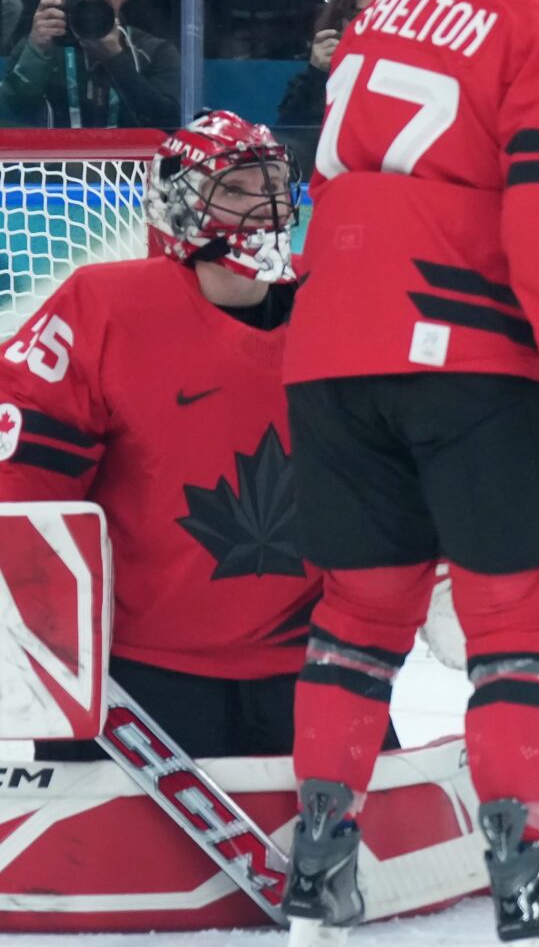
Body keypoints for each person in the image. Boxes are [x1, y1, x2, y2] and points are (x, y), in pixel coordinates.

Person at [279, 0, 539, 947]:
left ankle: (317, 872)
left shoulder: (386, 13)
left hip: (331, 346)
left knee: (356, 616)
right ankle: (525, 879)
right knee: (514, 621)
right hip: (473, 351)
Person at [0, 111, 310, 760]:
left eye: (272, 183)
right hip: (137, 675)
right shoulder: (105, 307)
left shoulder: (336, 303)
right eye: (235, 187)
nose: (263, 203)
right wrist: (46, 651)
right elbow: (22, 478)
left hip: (310, 665)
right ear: (179, 205)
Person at [0, 0, 180, 128]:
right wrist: (36, 54)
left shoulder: (155, 52)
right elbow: (8, 119)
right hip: (55, 149)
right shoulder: (39, 47)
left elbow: (170, 125)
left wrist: (116, 58)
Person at [276, 0, 395, 128]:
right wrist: (318, 74)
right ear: (338, 21)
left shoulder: (406, 73)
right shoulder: (315, 76)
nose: (368, 25)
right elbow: (291, 131)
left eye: (379, 16)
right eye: (358, 16)